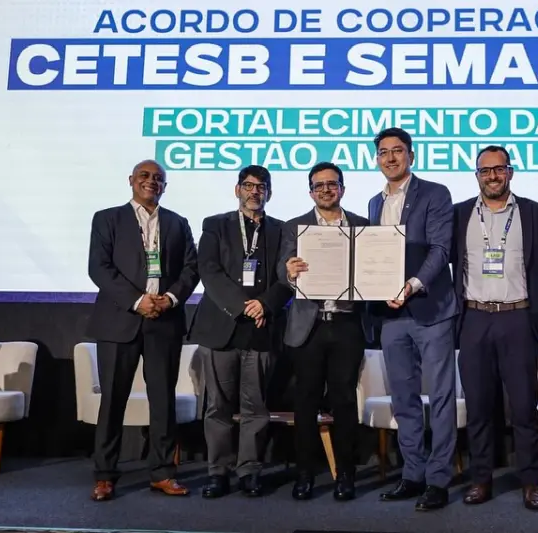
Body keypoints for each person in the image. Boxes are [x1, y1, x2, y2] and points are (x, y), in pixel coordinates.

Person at [86, 159, 199, 501]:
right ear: (131, 180)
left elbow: (191, 269)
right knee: (113, 400)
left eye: (158, 178)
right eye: (144, 176)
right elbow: (99, 268)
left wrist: (169, 299)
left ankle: (163, 474)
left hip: (164, 321)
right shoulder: (107, 219)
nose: (151, 181)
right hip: (119, 320)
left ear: (164, 186)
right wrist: (138, 301)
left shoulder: (178, 223)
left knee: (162, 401)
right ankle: (105, 476)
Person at [451, 146, 538, 510]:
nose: (492, 176)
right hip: (474, 318)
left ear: (510, 172)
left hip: (517, 317)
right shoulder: (459, 214)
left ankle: (530, 483)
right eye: (485, 170)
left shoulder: (535, 213)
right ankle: (480, 480)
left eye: (499, 169)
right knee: (478, 408)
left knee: (523, 407)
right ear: (477, 175)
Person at [368, 127, 459, 511]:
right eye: (383, 152)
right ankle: (413, 474)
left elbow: (440, 249)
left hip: (430, 310)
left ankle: (438, 480)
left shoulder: (435, 193)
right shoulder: (374, 202)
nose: (390, 158)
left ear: (411, 155)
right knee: (403, 399)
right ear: (377, 159)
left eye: (398, 151)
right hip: (391, 315)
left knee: (440, 398)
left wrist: (411, 285)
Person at [188, 165, 292, 498]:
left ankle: (249, 471)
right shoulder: (215, 225)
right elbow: (209, 271)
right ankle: (218, 472)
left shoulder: (282, 230)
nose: (254, 192)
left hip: (262, 327)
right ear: (237, 190)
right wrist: (243, 306)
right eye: (248, 186)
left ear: (269, 193)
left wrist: (266, 304)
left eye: (261, 187)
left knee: (255, 406)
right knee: (217, 406)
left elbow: (287, 277)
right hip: (222, 326)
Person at [279, 162, 369, 501]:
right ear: (310, 192)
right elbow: (281, 271)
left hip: (346, 324)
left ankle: (345, 475)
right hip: (309, 326)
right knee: (305, 402)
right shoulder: (294, 227)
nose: (326, 190)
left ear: (342, 188)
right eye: (319, 185)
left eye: (332, 184)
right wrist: (289, 271)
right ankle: (305, 475)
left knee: (344, 401)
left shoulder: (362, 225)